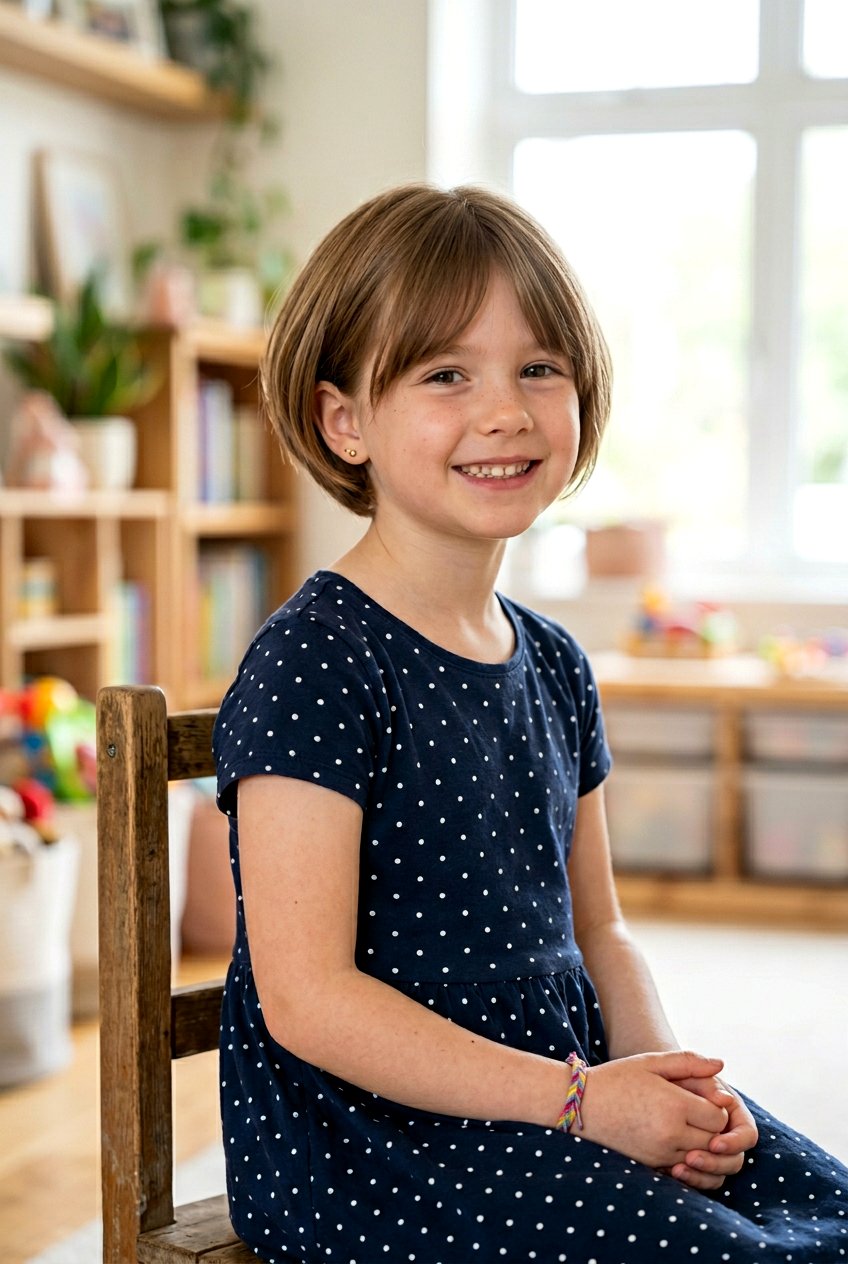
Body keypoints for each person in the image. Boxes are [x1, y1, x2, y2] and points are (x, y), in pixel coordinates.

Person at [213, 184, 847, 1264]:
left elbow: (599, 930)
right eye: (445, 373)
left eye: (537, 368)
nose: (503, 409)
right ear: (344, 419)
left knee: (818, 1209)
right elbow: (310, 1003)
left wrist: (668, 1082)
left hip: (563, 1089)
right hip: (376, 1141)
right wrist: (581, 1103)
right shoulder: (315, 659)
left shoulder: (553, 661)